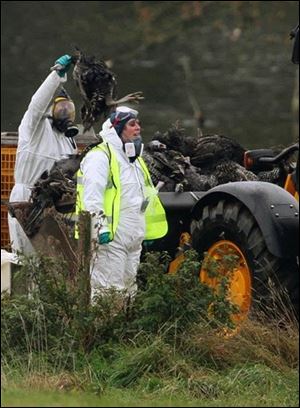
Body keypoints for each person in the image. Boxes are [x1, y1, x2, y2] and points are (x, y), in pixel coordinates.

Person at [76, 106, 168, 299]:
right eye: (132, 124)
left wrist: (146, 230)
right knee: (107, 291)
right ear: (118, 128)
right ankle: (104, 329)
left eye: (139, 124)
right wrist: (100, 228)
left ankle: (123, 329)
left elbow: (144, 198)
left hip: (133, 239)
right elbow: (91, 197)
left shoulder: (135, 161)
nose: (138, 128)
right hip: (110, 239)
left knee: (128, 289)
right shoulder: (100, 157)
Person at [8, 54, 79, 254]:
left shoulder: (68, 140)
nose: (66, 114)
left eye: (70, 109)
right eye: (62, 108)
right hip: (26, 200)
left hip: (54, 205)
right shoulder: (34, 127)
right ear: (50, 109)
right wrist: (56, 76)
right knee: (26, 259)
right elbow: (37, 103)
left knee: (52, 262)